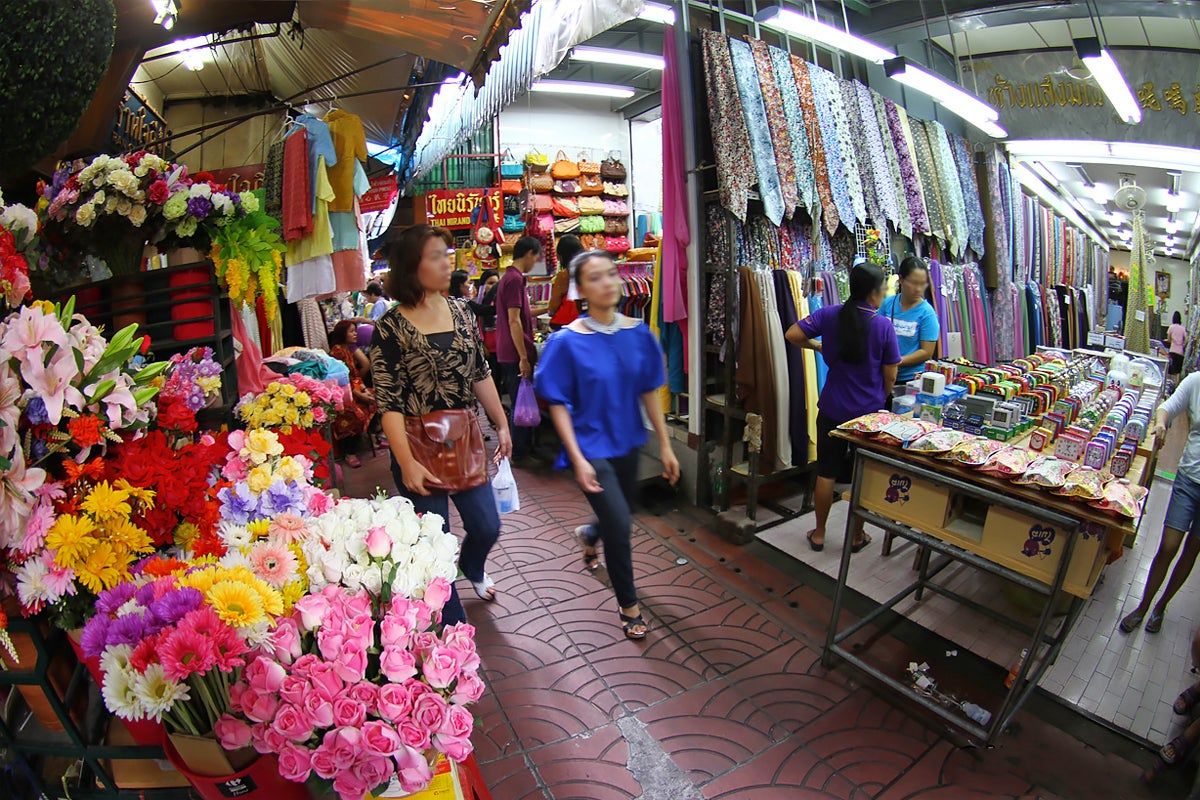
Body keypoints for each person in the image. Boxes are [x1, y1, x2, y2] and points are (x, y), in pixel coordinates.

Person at [371, 225, 513, 625]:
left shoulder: (463, 311)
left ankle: (473, 566)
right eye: (435, 255)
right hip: (416, 444)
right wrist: (407, 461)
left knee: (486, 525)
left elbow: (480, 373)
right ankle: (454, 631)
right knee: (435, 542)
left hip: (464, 436)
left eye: (445, 253)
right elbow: (390, 403)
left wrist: (501, 424)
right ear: (412, 267)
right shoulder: (390, 328)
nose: (446, 261)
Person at [536, 251, 680, 640]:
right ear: (580, 290)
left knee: (621, 513)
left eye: (611, 274)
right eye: (595, 278)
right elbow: (557, 402)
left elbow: (650, 391)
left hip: (629, 440)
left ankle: (589, 535)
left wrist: (665, 446)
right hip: (590, 447)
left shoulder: (638, 334)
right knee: (621, 526)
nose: (608, 283)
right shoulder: (565, 342)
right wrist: (577, 456)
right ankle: (628, 605)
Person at [786, 262, 899, 552]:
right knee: (863, 476)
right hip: (867, 414)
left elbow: (792, 335)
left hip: (833, 407)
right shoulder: (883, 326)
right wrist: (882, 397)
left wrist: (819, 347)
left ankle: (820, 533)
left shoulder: (830, 314)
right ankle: (857, 536)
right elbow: (891, 374)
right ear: (874, 293)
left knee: (826, 472)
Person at [1119, 372, 1200, 635]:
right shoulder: (1196, 381)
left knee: (1192, 551)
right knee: (1169, 546)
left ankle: (1160, 607)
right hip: (1189, 479)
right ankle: (1143, 606)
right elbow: (1168, 406)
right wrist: (1161, 423)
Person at [496, 236, 543, 462]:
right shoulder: (514, 280)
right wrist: (524, 357)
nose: (536, 261)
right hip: (514, 352)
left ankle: (522, 449)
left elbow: (518, 316)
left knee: (519, 400)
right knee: (520, 402)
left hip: (508, 349)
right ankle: (519, 453)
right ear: (529, 254)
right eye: (536, 256)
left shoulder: (509, 278)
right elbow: (514, 321)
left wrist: (538, 311)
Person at [878, 256, 939, 389]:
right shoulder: (888, 304)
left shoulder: (927, 313)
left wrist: (896, 361)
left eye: (922, 284)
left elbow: (926, 351)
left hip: (911, 381)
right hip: (883, 375)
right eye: (914, 283)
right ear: (901, 279)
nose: (918, 288)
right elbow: (875, 333)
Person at [327, 320, 376, 469]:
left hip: (352, 389)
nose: (356, 334)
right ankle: (349, 452)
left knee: (379, 398)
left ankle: (374, 435)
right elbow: (342, 381)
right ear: (343, 333)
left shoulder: (347, 349)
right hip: (342, 393)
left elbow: (355, 376)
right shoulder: (337, 351)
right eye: (352, 331)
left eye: (355, 331)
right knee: (355, 414)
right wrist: (361, 395)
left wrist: (364, 390)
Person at [548, 234, 584, 330]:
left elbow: (554, 306)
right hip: (588, 321)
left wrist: (550, 311)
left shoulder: (564, 275)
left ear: (562, 255)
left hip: (567, 324)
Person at [1167, 311, 1187, 385]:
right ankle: (1176, 386)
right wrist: (1183, 344)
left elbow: (1168, 339)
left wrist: (1172, 341)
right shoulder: (1183, 328)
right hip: (1180, 352)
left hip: (1172, 351)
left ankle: (1169, 386)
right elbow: (1186, 338)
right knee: (1178, 371)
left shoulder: (1171, 327)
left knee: (1170, 370)